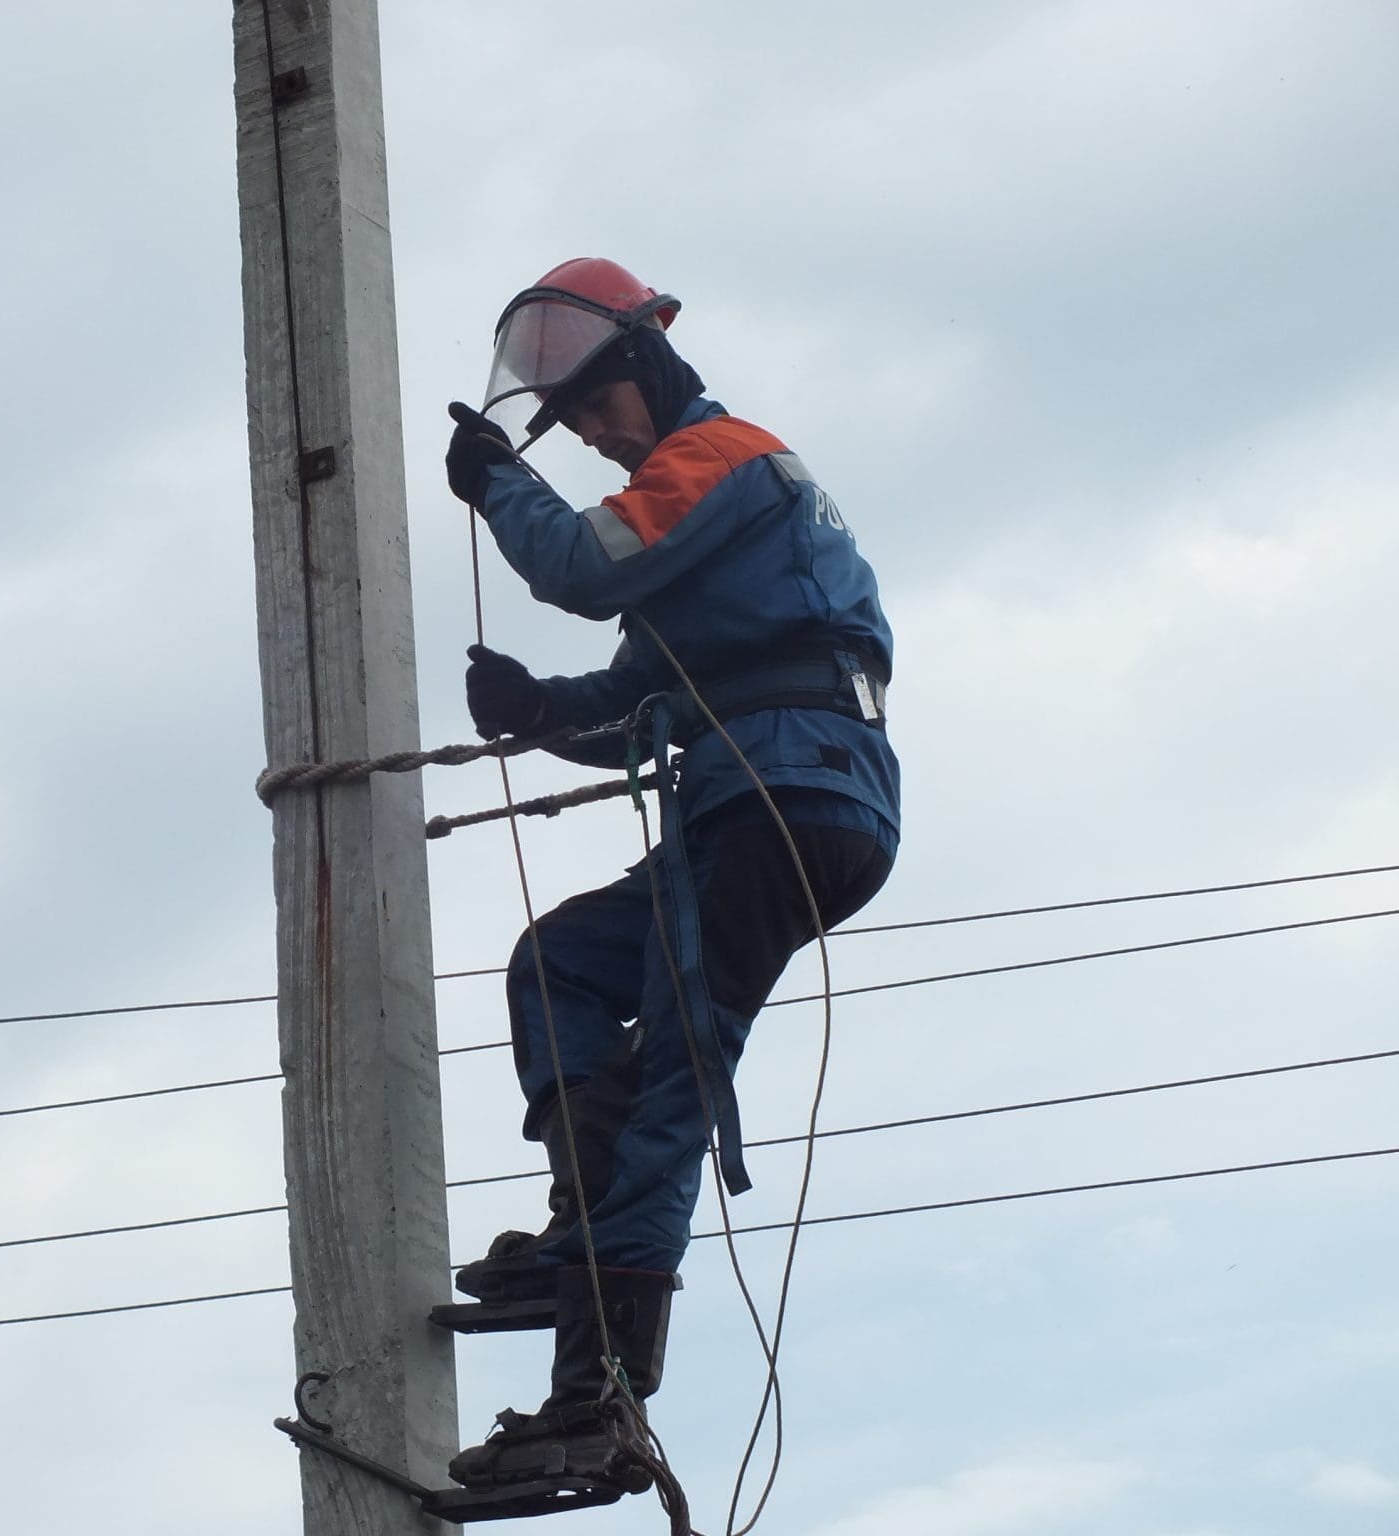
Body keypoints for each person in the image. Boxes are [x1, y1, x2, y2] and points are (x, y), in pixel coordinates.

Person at [440, 257, 902, 1493]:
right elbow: (638, 688)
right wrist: (535, 708)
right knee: (559, 966)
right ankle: (587, 1229)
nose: (590, 436)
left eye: (595, 406)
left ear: (643, 362)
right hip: (762, 794)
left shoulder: (720, 459)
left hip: (785, 795)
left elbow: (585, 571)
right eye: (572, 421)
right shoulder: (703, 524)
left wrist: (499, 483)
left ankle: (598, 1399)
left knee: (670, 1082)